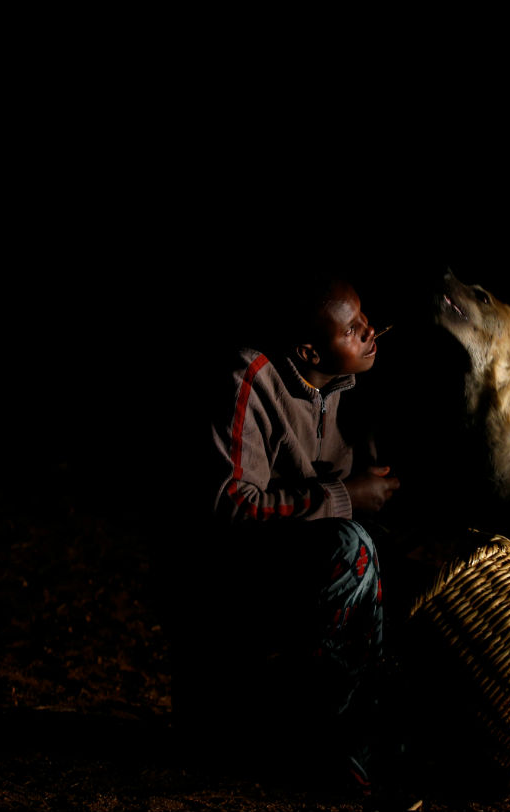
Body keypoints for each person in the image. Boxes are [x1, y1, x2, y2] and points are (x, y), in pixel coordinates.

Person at [172, 271, 411, 806]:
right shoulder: (251, 378)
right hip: (231, 587)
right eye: (353, 329)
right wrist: (348, 496)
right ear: (308, 349)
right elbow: (229, 510)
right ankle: (340, 749)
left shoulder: (340, 389)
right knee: (353, 549)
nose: (370, 332)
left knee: (396, 556)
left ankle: (364, 735)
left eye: (365, 319)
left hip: (289, 576)